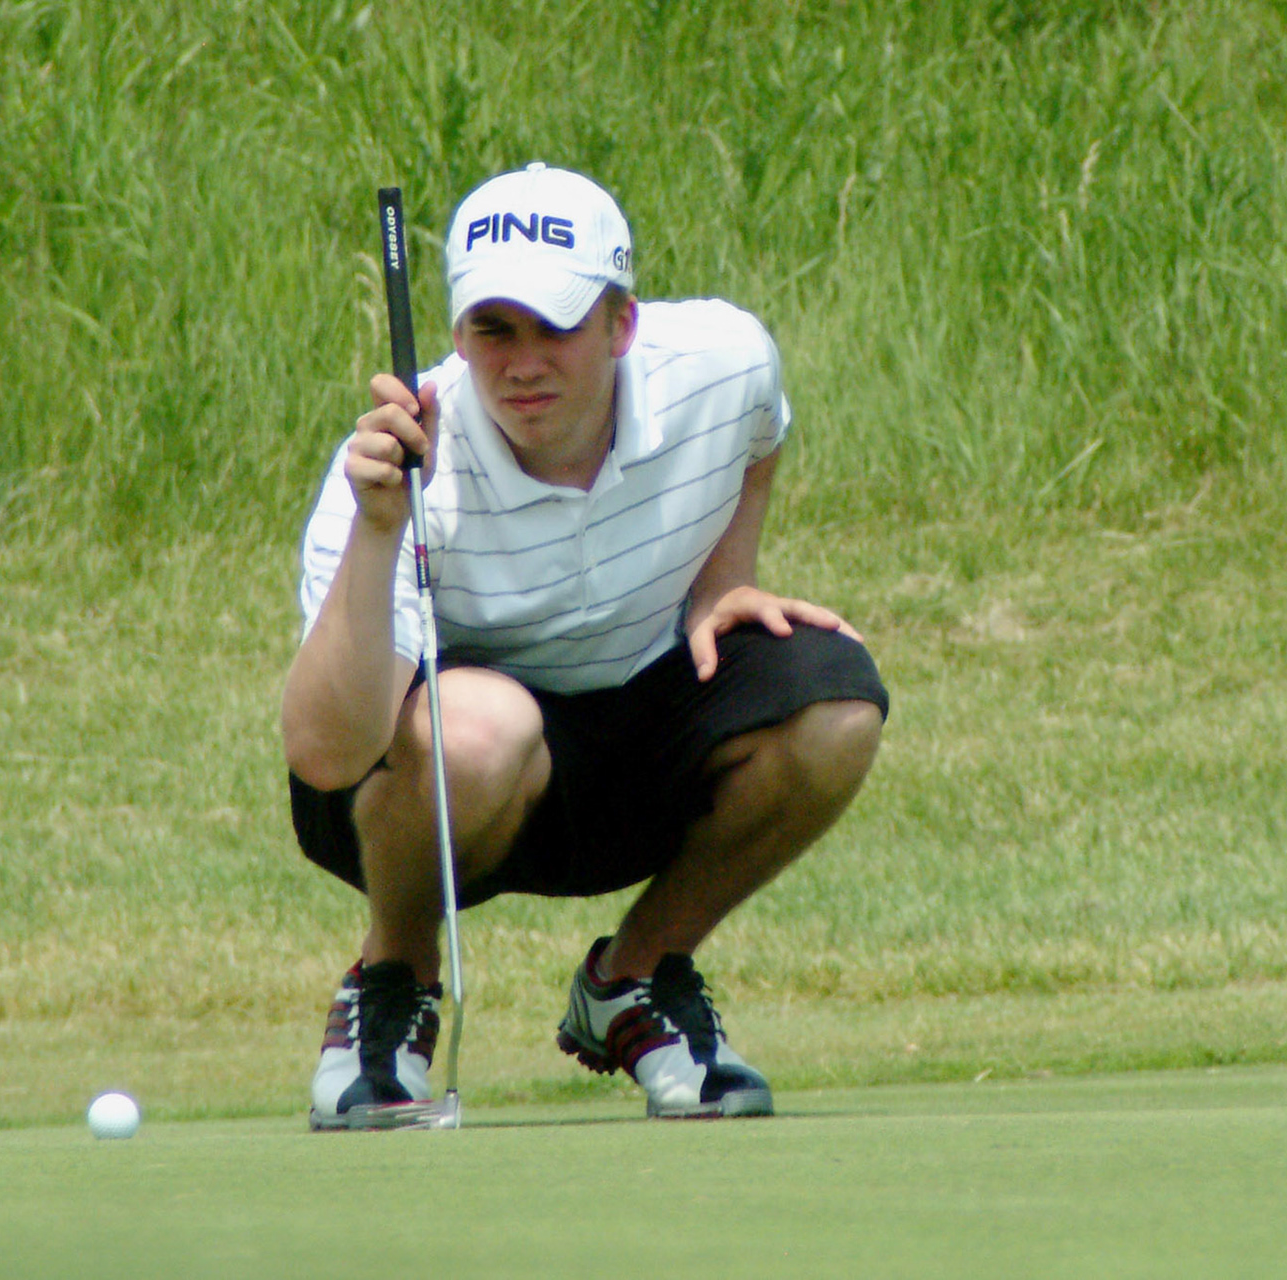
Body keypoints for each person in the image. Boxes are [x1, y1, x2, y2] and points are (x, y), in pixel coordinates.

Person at [281, 162, 887, 1128]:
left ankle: (633, 981)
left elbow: (759, 435)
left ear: (622, 325)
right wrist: (382, 529)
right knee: (478, 728)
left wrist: (726, 577)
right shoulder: (393, 471)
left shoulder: (723, 359)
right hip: (440, 796)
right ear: (456, 338)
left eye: (557, 326)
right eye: (495, 329)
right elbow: (322, 753)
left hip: (641, 743)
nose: (524, 363)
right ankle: (393, 982)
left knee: (837, 703)